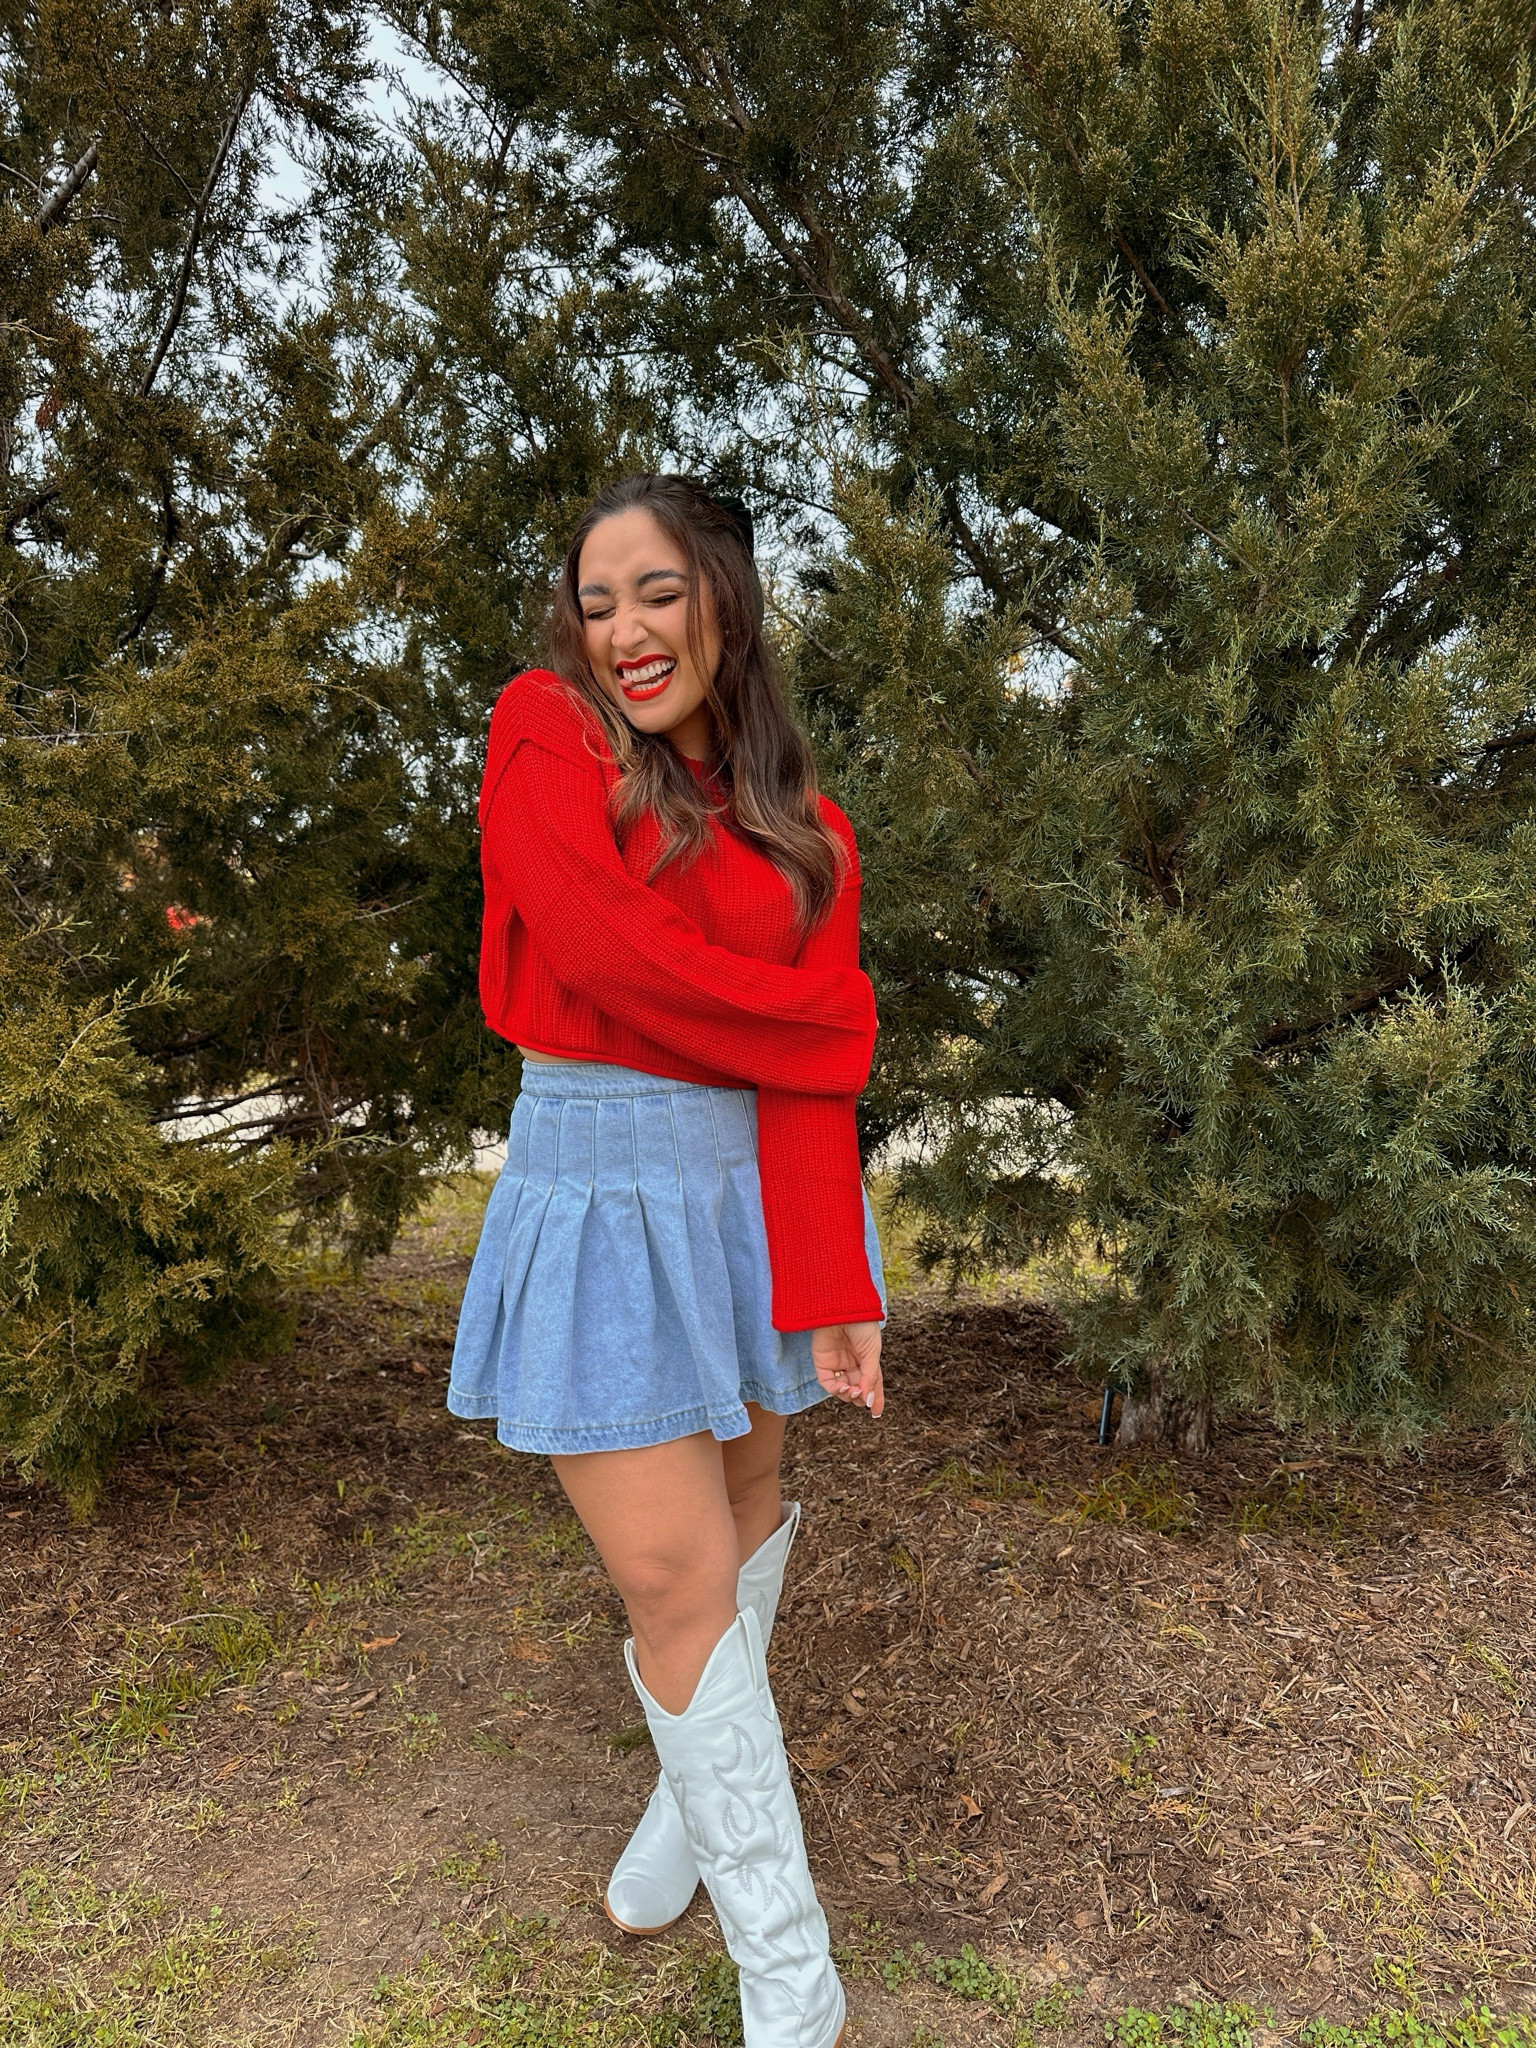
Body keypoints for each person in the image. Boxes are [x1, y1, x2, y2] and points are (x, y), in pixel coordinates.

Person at [447, 473, 885, 2048]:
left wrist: (836, 1282)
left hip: (752, 1197)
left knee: (751, 1512)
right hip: (601, 1179)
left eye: (657, 591)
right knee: (668, 1570)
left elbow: (805, 1090)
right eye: (596, 596)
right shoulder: (542, 730)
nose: (622, 627)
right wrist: (826, 1021)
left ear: (724, 599)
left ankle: (688, 1826)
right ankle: (795, 1975)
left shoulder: (807, 829)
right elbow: (597, 955)